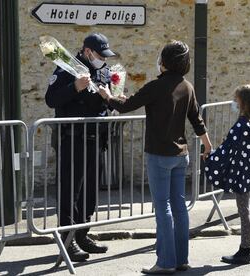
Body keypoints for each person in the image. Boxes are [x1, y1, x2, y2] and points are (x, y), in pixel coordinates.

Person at [98, 40, 213, 274]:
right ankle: (181, 259)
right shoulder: (187, 87)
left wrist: (108, 96)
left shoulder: (156, 86)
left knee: (163, 208)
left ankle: (165, 262)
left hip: (159, 154)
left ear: (165, 62)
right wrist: (207, 145)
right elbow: (196, 119)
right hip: (181, 155)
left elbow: (126, 105)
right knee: (179, 207)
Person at [45, 33, 115, 262]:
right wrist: (74, 87)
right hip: (73, 139)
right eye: (98, 55)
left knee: (90, 192)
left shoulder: (103, 72)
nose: (102, 60)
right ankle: (68, 240)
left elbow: (105, 107)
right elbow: (51, 100)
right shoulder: (66, 68)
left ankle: (83, 234)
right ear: (87, 51)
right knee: (70, 193)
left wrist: (111, 98)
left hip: (96, 139)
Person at [205, 84, 250, 265]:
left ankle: (244, 251)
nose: (235, 102)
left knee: (244, 210)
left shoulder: (242, 125)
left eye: (237, 100)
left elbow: (227, 148)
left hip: (242, 174)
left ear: (244, 103)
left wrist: (210, 157)